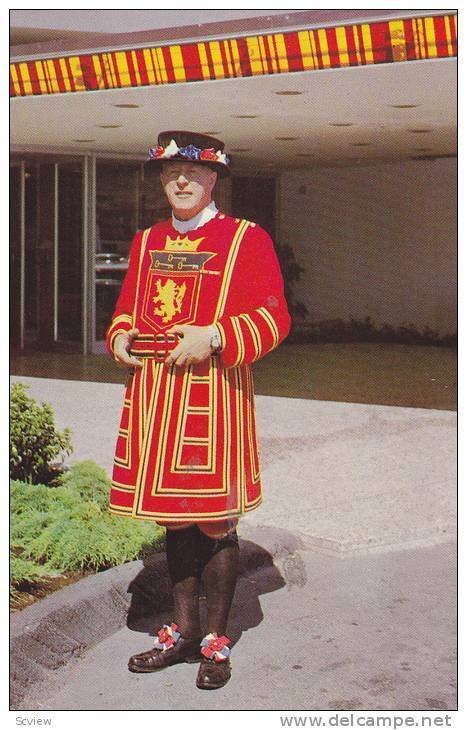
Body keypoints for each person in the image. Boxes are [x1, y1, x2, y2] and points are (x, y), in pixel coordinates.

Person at [106, 131, 291, 689]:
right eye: (169, 173)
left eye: (191, 172)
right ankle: (182, 634)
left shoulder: (244, 238)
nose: (180, 181)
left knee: (213, 519)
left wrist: (215, 335)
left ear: (213, 179)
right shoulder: (147, 240)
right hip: (156, 400)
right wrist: (119, 336)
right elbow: (125, 308)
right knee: (175, 518)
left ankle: (215, 641)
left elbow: (275, 314)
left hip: (214, 400)